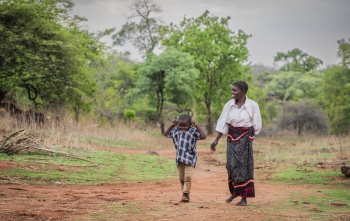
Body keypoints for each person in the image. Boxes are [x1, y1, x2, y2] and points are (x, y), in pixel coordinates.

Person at [210, 80, 262, 206]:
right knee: (231, 165)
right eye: (232, 90)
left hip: (245, 139)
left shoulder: (252, 105)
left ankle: (244, 198)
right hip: (232, 138)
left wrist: (249, 137)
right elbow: (223, 122)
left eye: (235, 90)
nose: (232, 92)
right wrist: (216, 140)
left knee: (244, 167)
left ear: (242, 92)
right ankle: (234, 191)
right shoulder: (229, 105)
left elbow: (257, 124)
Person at [164, 114, 206, 202]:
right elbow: (166, 134)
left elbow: (203, 136)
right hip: (179, 158)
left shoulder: (193, 131)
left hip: (190, 158)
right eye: (180, 125)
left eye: (185, 125)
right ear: (178, 124)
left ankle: (186, 194)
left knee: (188, 177)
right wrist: (172, 125)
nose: (182, 127)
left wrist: (197, 125)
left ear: (190, 124)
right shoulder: (176, 131)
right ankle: (184, 192)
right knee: (181, 178)